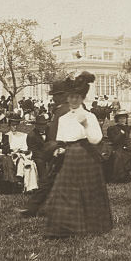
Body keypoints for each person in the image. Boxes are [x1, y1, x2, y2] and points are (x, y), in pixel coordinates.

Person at [44, 72, 112, 237]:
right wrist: (58, 148)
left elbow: (96, 140)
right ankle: (63, 228)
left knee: (87, 191)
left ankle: (91, 226)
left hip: (86, 155)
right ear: (67, 98)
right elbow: (60, 139)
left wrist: (86, 124)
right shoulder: (64, 118)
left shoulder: (89, 116)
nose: (73, 100)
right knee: (64, 190)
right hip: (68, 157)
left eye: (77, 97)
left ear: (82, 98)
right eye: (71, 97)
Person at [18, 79, 70, 217]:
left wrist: (60, 147)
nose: (54, 98)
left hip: (63, 150)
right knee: (50, 180)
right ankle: (32, 208)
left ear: (62, 95)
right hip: (60, 150)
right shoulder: (63, 109)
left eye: (56, 95)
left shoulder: (65, 110)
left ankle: (32, 208)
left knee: (51, 180)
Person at [1, 114, 38, 193]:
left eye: (16, 125)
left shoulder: (24, 135)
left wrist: (22, 152)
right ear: (9, 125)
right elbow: (6, 150)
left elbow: (25, 148)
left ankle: (29, 187)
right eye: (13, 125)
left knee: (30, 164)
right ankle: (28, 187)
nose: (15, 127)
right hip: (12, 157)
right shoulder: (6, 135)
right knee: (25, 162)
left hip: (23, 155)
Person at [107, 109, 131, 182]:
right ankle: (120, 177)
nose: (123, 120)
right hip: (116, 147)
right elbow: (114, 140)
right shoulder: (112, 128)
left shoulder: (127, 127)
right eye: (120, 118)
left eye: (124, 118)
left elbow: (127, 139)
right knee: (120, 156)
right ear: (117, 119)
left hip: (126, 147)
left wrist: (129, 146)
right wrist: (121, 132)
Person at [27, 115, 48, 181]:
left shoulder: (49, 132)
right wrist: (45, 156)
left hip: (49, 154)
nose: (42, 127)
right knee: (40, 163)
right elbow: (33, 151)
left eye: (44, 124)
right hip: (37, 157)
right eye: (39, 125)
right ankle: (43, 182)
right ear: (35, 125)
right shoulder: (31, 135)